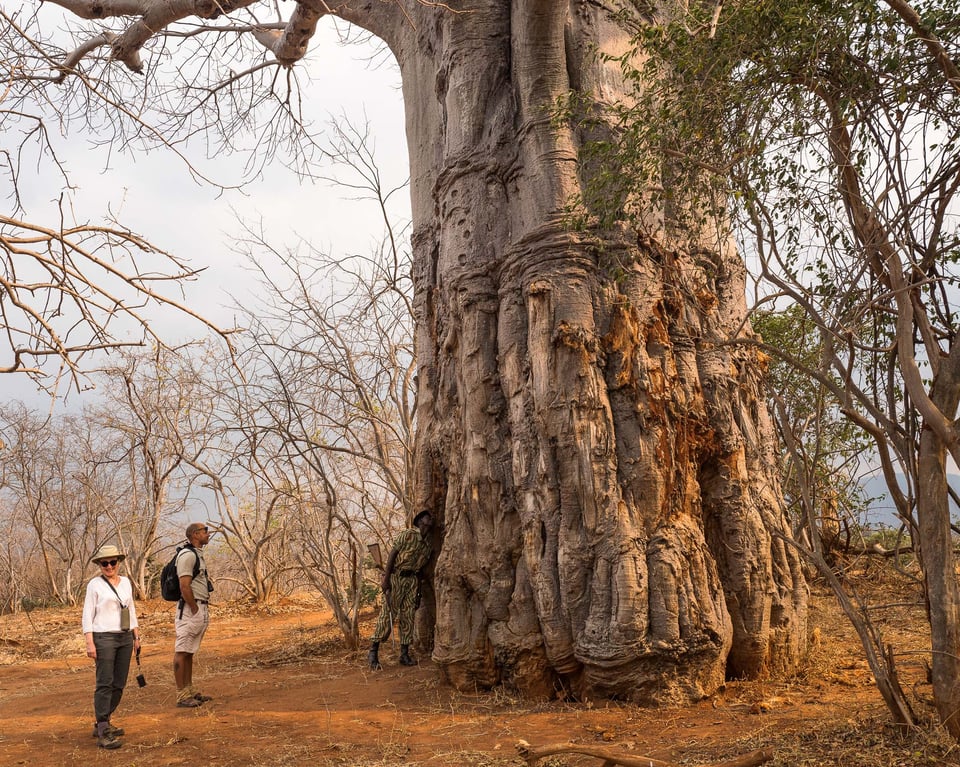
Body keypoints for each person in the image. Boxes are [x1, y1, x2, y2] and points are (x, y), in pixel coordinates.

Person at [82, 543, 141, 750]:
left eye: (112, 562)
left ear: (119, 562)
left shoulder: (125, 582)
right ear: (99, 564)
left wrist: (136, 635)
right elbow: (87, 614)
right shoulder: (94, 585)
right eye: (104, 563)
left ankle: (102, 721)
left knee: (119, 683)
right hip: (103, 637)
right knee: (104, 682)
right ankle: (104, 730)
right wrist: (89, 641)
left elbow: (130, 608)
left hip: (125, 637)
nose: (109, 566)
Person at [368, 510, 433, 670]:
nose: (429, 519)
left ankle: (404, 654)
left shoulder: (428, 544)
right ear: (419, 521)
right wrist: (386, 579)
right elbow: (392, 554)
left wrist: (417, 593)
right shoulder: (408, 534)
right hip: (396, 577)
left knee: (408, 616)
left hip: (412, 581)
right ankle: (373, 652)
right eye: (426, 517)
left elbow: (421, 570)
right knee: (388, 614)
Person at [172, 522, 214, 707]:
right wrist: (194, 608)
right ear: (195, 534)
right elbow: (184, 585)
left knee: (189, 651)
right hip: (191, 609)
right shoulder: (188, 555)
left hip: (198, 607)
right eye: (205, 531)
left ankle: (189, 690)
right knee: (182, 651)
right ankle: (182, 696)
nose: (208, 533)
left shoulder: (197, 554)